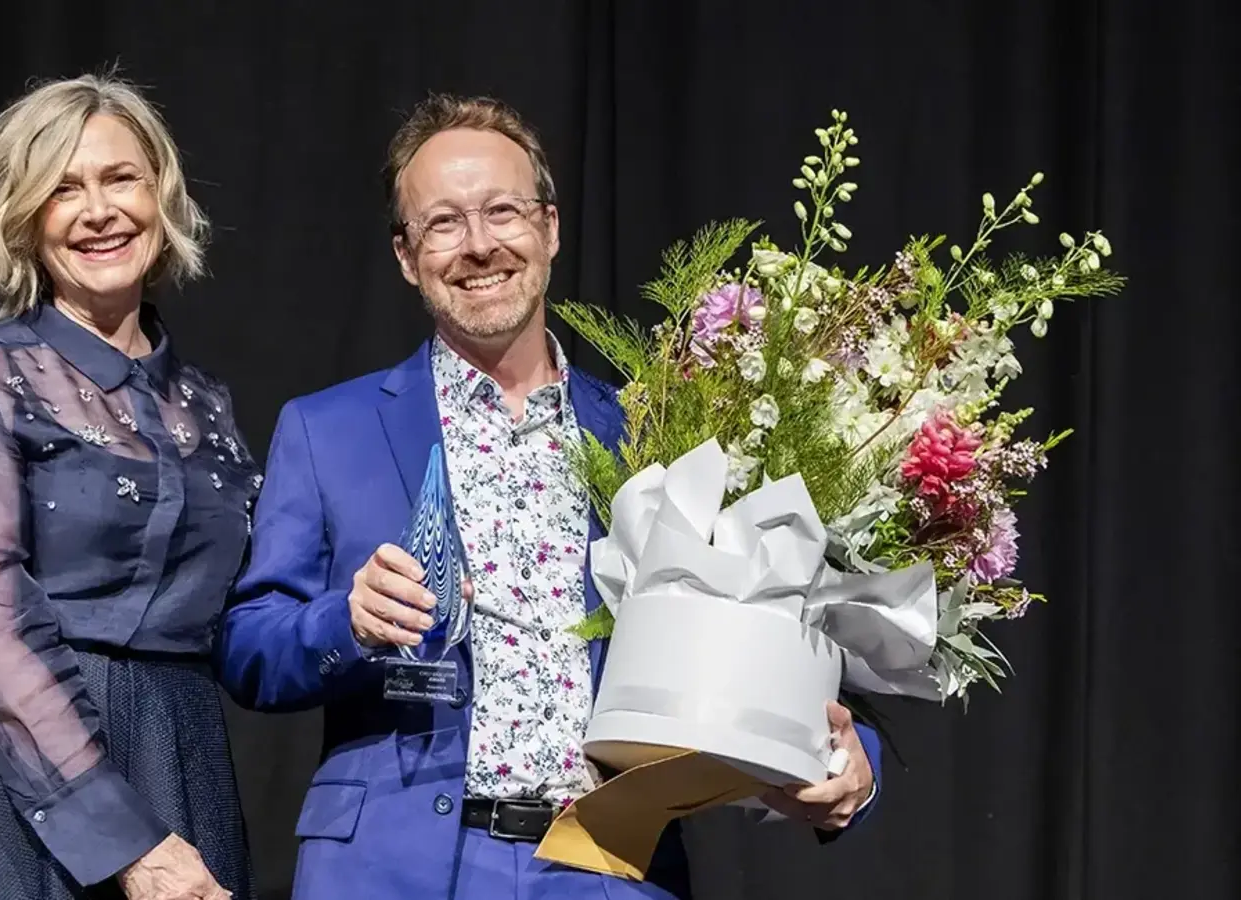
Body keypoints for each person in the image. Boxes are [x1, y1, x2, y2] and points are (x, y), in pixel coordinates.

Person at [216, 94, 883, 900]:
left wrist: (854, 764)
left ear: (550, 227)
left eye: (503, 211)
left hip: (607, 867)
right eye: (443, 223)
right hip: (394, 869)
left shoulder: (654, 428)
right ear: (406, 254)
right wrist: (346, 623)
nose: (479, 244)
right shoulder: (329, 429)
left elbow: (778, 625)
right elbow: (249, 649)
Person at [0, 74, 255, 900]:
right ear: (23, 219)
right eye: (62, 189)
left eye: (120, 178)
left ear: (162, 196)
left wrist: (348, 623)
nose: (98, 210)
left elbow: (241, 615)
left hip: (179, 761)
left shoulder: (206, 404)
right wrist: (124, 839)